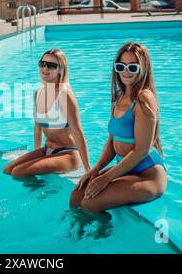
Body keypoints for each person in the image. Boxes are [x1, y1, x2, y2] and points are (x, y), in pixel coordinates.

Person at [70, 42, 167, 213]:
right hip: (126, 169)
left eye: (133, 67)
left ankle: (101, 236)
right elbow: (111, 142)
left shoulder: (144, 99)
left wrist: (106, 178)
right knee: (76, 196)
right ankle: (79, 237)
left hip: (148, 174)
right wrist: (95, 170)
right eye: (121, 66)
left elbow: (141, 151)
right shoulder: (118, 97)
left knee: (91, 203)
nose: (126, 71)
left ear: (143, 68)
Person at [3, 49, 91, 177]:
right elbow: (38, 128)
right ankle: (39, 191)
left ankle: (40, 194)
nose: (45, 68)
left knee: (18, 172)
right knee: (8, 169)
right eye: (42, 64)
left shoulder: (64, 94)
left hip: (67, 153)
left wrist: (88, 169)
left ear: (61, 69)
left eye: (51, 66)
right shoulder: (38, 92)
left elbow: (77, 131)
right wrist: (36, 152)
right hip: (46, 149)